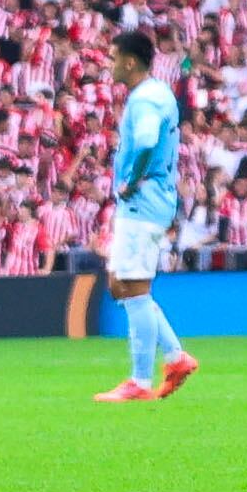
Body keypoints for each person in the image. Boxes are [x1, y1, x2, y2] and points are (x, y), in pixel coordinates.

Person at [96, 27, 197, 403]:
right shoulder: (155, 94)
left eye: (111, 58)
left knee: (134, 288)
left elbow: (147, 140)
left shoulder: (145, 100)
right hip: (144, 204)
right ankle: (176, 357)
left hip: (143, 202)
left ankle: (139, 381)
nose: (108, 65)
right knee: (121, 285)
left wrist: (130, 179)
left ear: (129, 61)